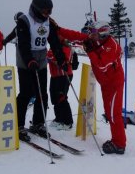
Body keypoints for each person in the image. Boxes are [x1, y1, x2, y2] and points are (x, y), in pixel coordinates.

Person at [50, 20, 126, 154]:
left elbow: (102, 65)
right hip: (105, 83)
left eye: (94, 32)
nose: (91, 34)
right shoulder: (94, 40)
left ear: (102, 33)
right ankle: (116, 139)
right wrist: (58, 29)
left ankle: (119, 144)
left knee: (114, 114)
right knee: (109, 113)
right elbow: (76, 36)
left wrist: (89, 50)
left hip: (114, 83)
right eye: (91, 32)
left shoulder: (111, 45)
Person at [15, 0, 66, 141]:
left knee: (42, 94)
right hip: (26, 61)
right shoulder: (24, 20)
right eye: (45, 11)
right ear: (36, 9)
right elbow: (23, 44)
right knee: (25, 94)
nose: (47, 14)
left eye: (50, 11)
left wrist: (61, 57)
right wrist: (29, 60)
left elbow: (54, 41)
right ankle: (18, 125)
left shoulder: (48, 22)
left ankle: (38, 123)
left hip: (41, 60)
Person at [47, 43, 79, 130]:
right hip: (54, 75)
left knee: (61, 97)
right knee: (54, 97)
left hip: (64, 75)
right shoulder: (53, 47)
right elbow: (49, 57)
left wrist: (50, 57)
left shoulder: (65, 46)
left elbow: (64, 59)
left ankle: (68, 122)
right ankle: (59, 119)